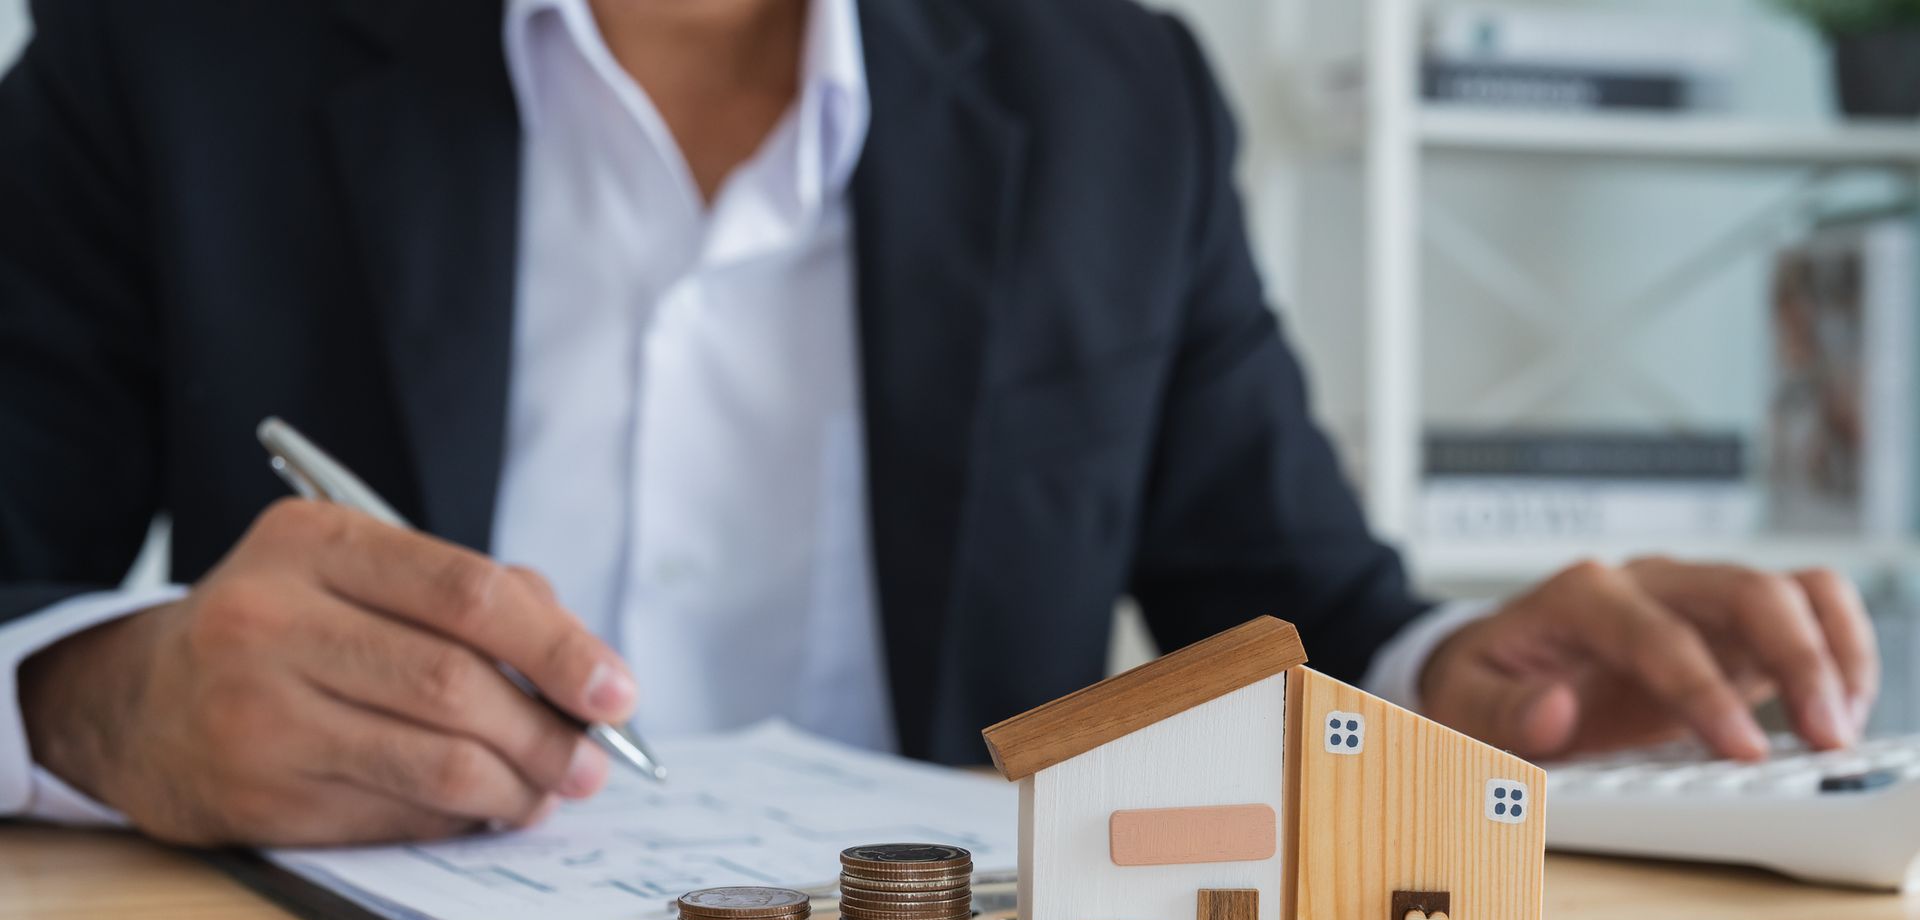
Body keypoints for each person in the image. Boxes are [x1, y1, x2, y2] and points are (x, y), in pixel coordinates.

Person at [0, 0, 1879, 848]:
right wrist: (98, 704)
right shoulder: (165, 45)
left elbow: (1290, 589)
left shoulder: (1117, 95)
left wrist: (1466, 687)